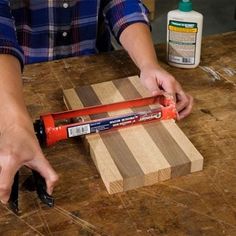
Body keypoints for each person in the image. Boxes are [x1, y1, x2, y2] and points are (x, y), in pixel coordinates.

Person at [0, 0, 193, 204]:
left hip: (94, 67)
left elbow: (121, 3)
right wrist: (14, 124)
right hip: (16, 82)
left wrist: (148, 64)